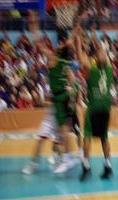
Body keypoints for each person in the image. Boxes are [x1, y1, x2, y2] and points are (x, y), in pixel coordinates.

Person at [28, 12, 78, 173]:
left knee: (65, 130)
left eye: (62, 44)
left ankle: (67, 158)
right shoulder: (63, 58)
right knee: (64, 132)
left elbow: (38, 43)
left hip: (61, 98)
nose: (62, 44)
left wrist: (34, 24)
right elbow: (71, 37)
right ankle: (65, 157)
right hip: (59, 98)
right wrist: (79, 24)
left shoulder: (56, 57)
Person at [76, 25, 114, 181]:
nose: (100, 53)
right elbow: (102, 50)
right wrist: (93, 36)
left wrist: (79, 39)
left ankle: (86, 167)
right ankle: (108, 166)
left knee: (87, 137)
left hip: (94, 109)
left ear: (96, 61)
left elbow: (80, 57)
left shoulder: (91, 70)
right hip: (106, 108)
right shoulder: (109, 68)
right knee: (104, 137)